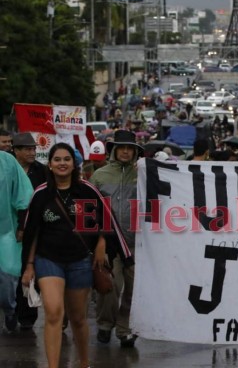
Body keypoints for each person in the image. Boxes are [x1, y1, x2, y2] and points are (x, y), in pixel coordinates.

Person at [21, 143, 131, 368]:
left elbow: (106, 221)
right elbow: (32, 232)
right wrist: (29, 265)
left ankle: (83, 362)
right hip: (48, 259)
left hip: (80, 261)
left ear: (74, 164)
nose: (62, 163)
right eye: (57, 159)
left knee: (78, 318)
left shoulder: (87, 190)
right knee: (53, 313)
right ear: (50, 165)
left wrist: (101, 243)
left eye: (66, 159)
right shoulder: (41, 194)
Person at [90, 130, 141, 347]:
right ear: (114, 150)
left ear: (135, 152)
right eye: (122, 147)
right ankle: (104, 324)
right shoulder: (99, 176)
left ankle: (124, 329)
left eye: (130, 148)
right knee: (110, 285)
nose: (126, 151)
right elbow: (90, 211)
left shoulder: (143, 175)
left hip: (136, 243)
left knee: (132, 289)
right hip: (109, 244)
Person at [12, 133, 48, 330]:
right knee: (11, 273)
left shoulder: (42, 172)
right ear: (15, 151)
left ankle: (27, 316)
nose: (32, 152)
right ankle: (11, 311)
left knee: (30, 270)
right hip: (9, 230)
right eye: (27, 149)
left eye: (34, 148)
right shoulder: (7, 170)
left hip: (36, 231)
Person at [0, 151, 33, 333]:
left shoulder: (7, 161)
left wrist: (22, 226)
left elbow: (23, 194)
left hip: (6, 232)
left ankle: (9, 309)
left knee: (7, 280)